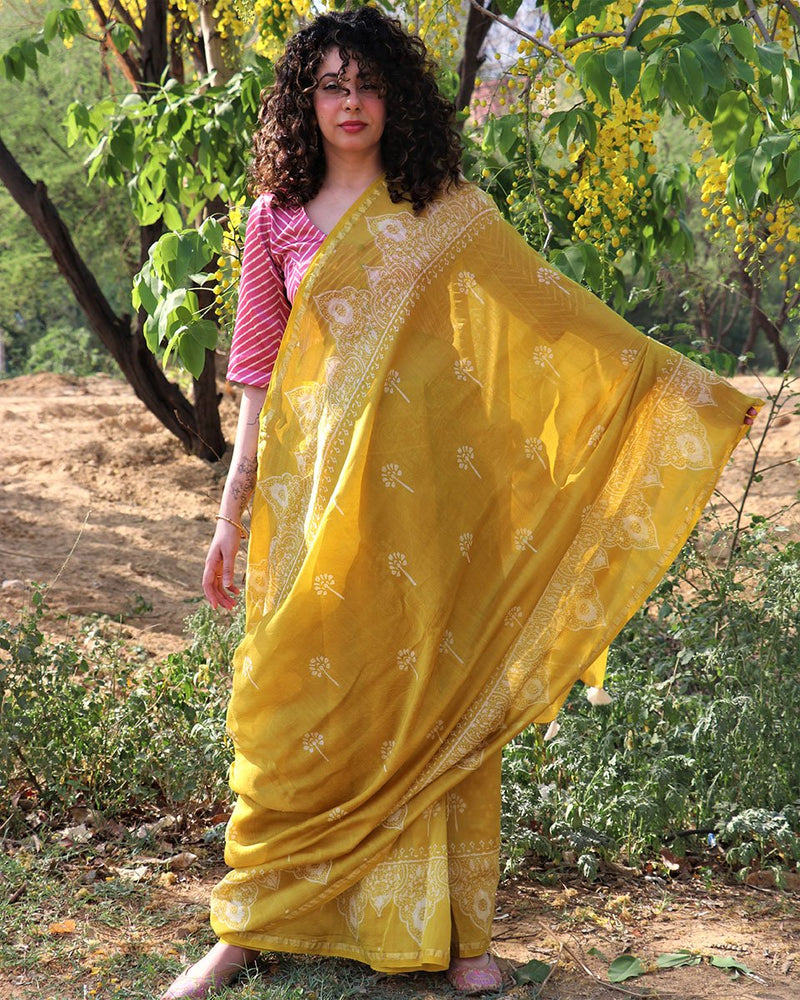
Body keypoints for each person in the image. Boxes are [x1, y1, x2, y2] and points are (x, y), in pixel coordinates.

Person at [161, 7, 760, 999]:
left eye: (368, 84)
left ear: (396, 96)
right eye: (331, 85)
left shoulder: (446, 211)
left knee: (433, 692)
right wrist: (230, 516)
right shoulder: (273, 217)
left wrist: (675, 386)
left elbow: (547, 308)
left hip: (430, 500)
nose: (351, 103)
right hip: (311, 504)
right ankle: (249, 923)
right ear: (304, 101)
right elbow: (256, 381)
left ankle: (456, 933)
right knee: (290, 696)